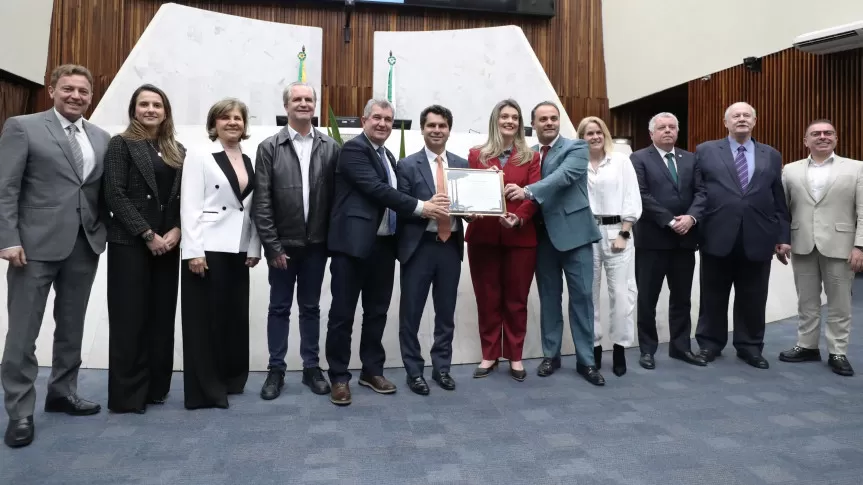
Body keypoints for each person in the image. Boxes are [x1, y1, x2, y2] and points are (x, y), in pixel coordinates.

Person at [0, 64, 110, 448]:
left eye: (83, 91)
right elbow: (6, 187)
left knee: (71, 327)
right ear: (52, 90)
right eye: (68, 89)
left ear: (90, 96)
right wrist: (8, 238)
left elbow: (95, 191)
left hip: (84, 244)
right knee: (23, 333)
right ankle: (19, 410)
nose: (76, 96)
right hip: (32, 248)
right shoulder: (22, 126)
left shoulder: (100, 136)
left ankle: (62, 392)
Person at [325, 98, 449, 406]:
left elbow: (396, 197)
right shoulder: (354, 150)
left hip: (383, 246)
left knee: (376, 312)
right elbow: (378, 191)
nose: (382, 124)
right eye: (377, 118)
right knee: (342, 315)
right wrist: (424, 207)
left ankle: (371, 370)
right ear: (364, 120)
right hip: (351, 247)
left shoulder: (389, 156)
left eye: (388, 120)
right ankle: (339, 377)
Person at [505, 101, 604, 386]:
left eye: (553, 118)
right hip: (541, 238)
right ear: (533, 125)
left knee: (582, 300)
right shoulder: (529, 154)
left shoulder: (576, 147)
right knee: (549, 299)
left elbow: (564, 177)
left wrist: (526, 190)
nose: (549, 123)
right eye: (543, 119)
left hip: (576, 237)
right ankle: (551, 354)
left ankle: (586, 361)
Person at [252, 82, 340, 400]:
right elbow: (261, 203)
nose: (303, 103)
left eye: (308, 99)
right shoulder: (269, 147)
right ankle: (276, 370)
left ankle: (311, 368)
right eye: (296, 99)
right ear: (286, 106)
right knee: (278, 308)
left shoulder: (331, 147)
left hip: (317, 246)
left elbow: (336, 200)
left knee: (311, 308)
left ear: (315, 105)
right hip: (283, 247)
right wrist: (272, 246)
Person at [103, 84, 185, 413]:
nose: (150, 109)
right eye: (144, 104)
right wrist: (148, 234)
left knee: (161, 318)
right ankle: (128, 397)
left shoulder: (177, 150)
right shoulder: (121, 144)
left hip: (169, 245)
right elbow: (114, 194)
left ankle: (156, 388)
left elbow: (183, 197)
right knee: (129, 319)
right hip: (132, 245)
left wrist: (177, 230)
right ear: (133, 109)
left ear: (166, 112)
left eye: (157, 105)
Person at [693, 102, 791, 369]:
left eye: (747, 115)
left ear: (755, 121)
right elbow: (698, 193)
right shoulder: (706, 151)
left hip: (759, 237)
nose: (741, 119)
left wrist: (783, 236)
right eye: (735, 115)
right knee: (712, 295)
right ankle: (709, 344)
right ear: (726, 122)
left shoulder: (771, 154)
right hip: (717, 235)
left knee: (754, 296)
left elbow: (778, 199)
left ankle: (750, 346)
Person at [180, 98, 261, 409]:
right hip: (208, 248)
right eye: (225, 117)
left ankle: (230, 380)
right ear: (214, 123)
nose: (232, 122)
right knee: (206, 321)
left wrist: (254, 246)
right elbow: (189, 206)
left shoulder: (248, 158)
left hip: (238, 249)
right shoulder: (200, 154)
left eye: (238, 118)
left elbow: (251, 208)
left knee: (233, 318)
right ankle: (206, 390)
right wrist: (193, 252)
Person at [778, 119, 863, 376]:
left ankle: (838, 351)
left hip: (841, 244)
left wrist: (860, 245)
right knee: (807, 300)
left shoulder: (856, 168)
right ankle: (807, 345)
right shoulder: (789, 170)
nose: (823, 136)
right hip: (802, 243)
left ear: (836, 139)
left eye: (828, 133)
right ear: (806, 141)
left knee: (839, 303)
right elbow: (782, 210)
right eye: (816, 133)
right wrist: (782, 240)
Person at [466, 99, 540, 382]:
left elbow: (534, 197)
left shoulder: (532, 158)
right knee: (487, 298)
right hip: (483, 236)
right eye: (504, 116)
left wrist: (520, 216)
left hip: (520, 237)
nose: (509, 121)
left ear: (520, 124)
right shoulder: (477, 155)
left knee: (516, 300)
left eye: (515, 117)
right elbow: (468, 195)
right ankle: (490, 354)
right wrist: (470, 211)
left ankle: (516, 355)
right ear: (495, 120)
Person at [396, 105, 468, 395]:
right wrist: (425, 209)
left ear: (449, 129)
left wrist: (474, 212)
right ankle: (414, 372)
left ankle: (442, 368)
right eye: (431, 125)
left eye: (442, 126)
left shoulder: (462, 165)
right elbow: (400, 205)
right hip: (419, 248)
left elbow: (470, 205)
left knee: (446, 312)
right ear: (422, 129)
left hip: (449, 246)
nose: (437, 130)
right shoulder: (407, 165)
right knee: (410, 314)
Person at [630, 112, 706, 369]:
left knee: (682, 298)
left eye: (672, 127)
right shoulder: (639, 158)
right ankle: (647, 349)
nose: (668, 131)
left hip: (684, 242)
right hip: (652, 241)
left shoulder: (691, 159)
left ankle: (681, 347)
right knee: (647, 298)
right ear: (652, 133)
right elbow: (640, 194)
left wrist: (692, 218)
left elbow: (701, 192)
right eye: (662, 127)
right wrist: (670, 220)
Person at [578, 116, 641, 377]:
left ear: (605, 134)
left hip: (618, 232)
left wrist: (624, 233)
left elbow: (632, 197)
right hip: (586, 232)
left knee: (621, 294)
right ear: (581, 138)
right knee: (587, 294)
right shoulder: (577, 163)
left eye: (598, 132)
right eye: (588, 133)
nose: (594, 137)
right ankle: (593, 348)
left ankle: (619, 348)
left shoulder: (621, 161)